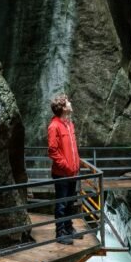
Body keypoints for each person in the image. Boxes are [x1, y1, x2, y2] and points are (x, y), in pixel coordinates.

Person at [47, 94, 82, 245]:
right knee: (61, 204)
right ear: (62, 107)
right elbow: (52, 150)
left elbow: (73, 149)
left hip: (72, 172)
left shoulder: (69, 124)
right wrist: (67, 166)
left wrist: (76, 165)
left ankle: (68, 228)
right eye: (67, 102)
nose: (70, 103)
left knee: (69, 202)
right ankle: (60, 233)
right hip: (62, 173)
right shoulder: (54, 126)